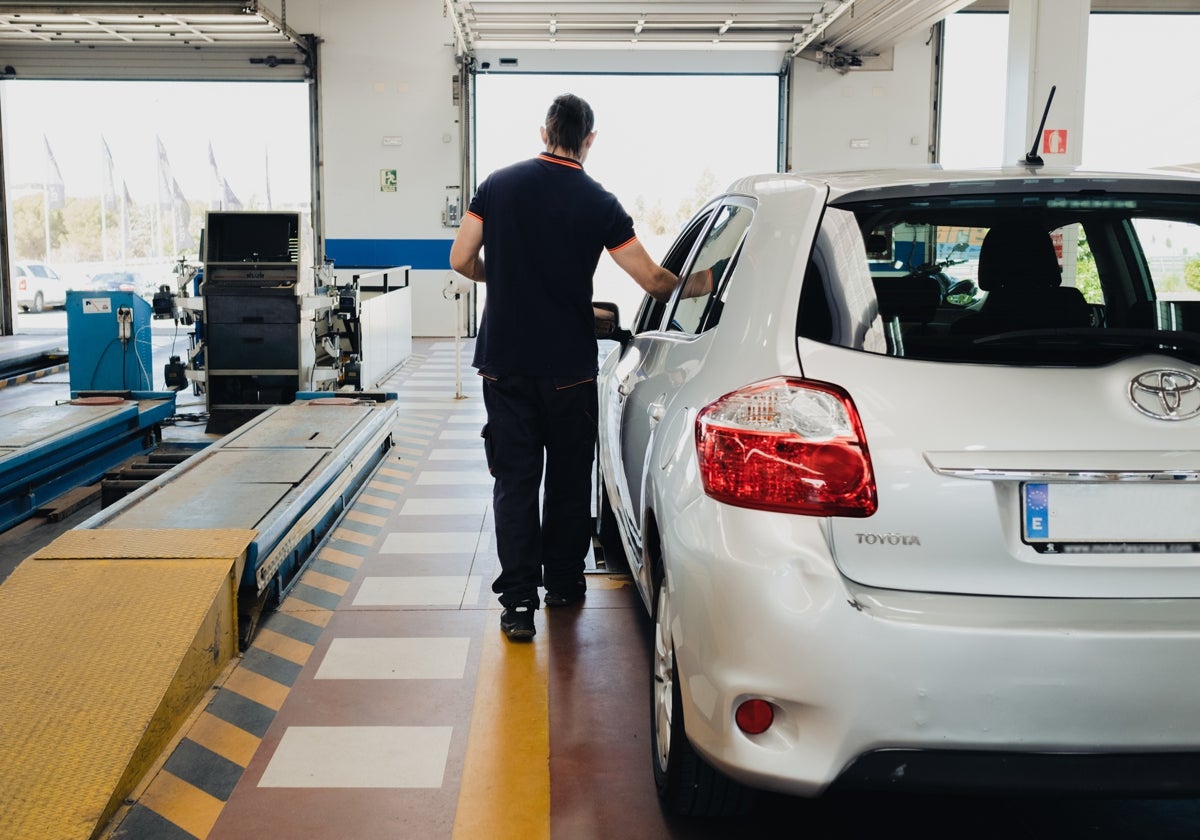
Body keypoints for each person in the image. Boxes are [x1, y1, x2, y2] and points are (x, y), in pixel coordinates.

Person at [449, 93, 679, 641]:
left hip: (504, 364)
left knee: (515, 480)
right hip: (570, 368)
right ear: (589, 139)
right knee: (569, 478)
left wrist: (501, 277)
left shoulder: (497, 186)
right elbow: (651, 279)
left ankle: (519, 603)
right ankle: (565, 584)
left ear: (544, 130)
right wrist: (699, 284)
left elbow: (460, 259)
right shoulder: (600, 202)